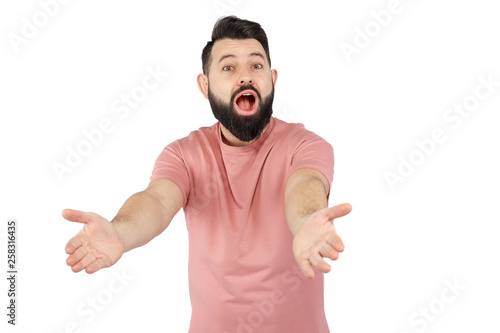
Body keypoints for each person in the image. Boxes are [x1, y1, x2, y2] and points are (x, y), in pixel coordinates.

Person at [63, 16, 352, 333]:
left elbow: (305, 184)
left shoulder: (306, 145)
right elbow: (158, 200)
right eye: (228, 68)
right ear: (205, 85)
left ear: (272, 78)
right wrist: (120, 232)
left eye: (256, 66)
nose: (245, 76)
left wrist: (306, 220)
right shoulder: (184, 154)